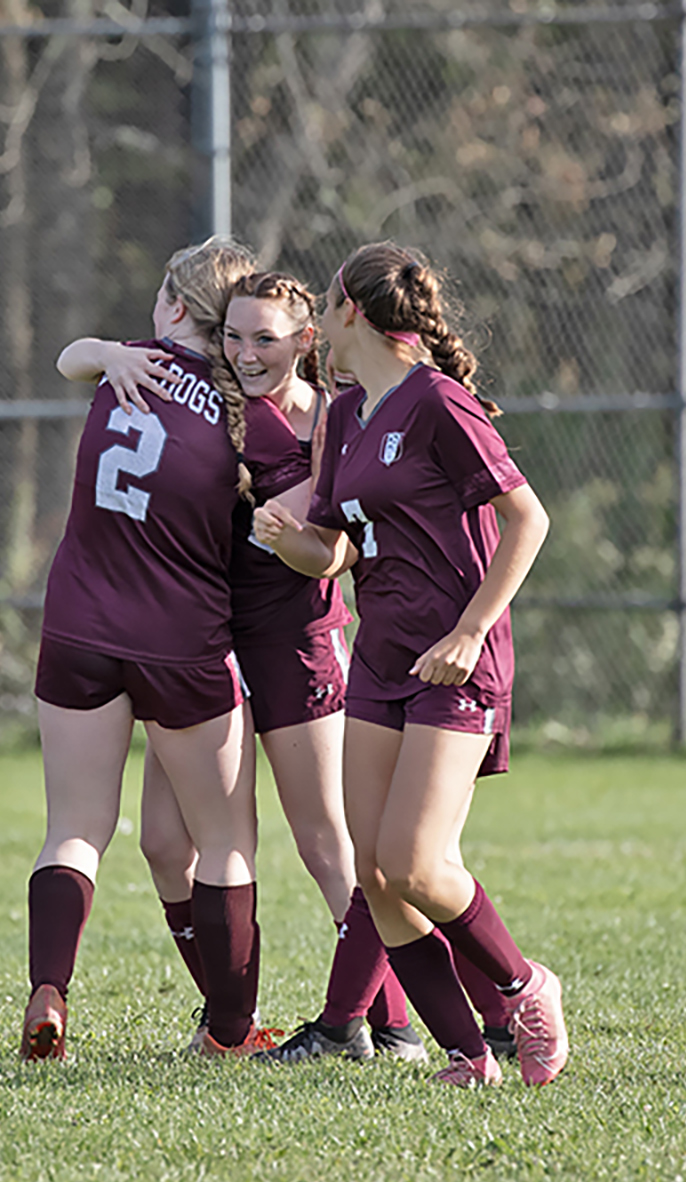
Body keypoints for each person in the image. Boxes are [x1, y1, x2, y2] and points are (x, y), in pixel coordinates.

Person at [63, 270, 426, 1063]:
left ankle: (389, 1024)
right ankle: (227, 1015)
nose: (246, 352)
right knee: (163, 841)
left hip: (293, 642)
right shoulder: (221, 407)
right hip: (206, 643)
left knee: (329, 846)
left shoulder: (332, 418)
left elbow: (331, 554)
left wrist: (285, 530)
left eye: (266, 338)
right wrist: (102, 352)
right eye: (233, 335)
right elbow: (85, 369)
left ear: (307, 340)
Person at [253, 242, 569, 1087]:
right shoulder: (346, 416)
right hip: (382, 655)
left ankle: (524, 988)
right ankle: (471, 1056)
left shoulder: (438, 402)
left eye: (324, 299)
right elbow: (333, 555)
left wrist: (469, 632)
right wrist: (288, 541)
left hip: (454, 659)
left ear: (353, 309)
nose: (317, 314)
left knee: (418, 864)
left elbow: (528, 521)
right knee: (376, 874)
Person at [25, 235, 297, 1061]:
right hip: (181, 639)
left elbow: (72, 357)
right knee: (225, 841)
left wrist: (110, 350)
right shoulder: (249, 413)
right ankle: (231, 1031)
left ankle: (50, 994)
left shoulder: (126, 364)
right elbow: (311, 495)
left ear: (174, 308)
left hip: (76, 625)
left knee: (75, 828)